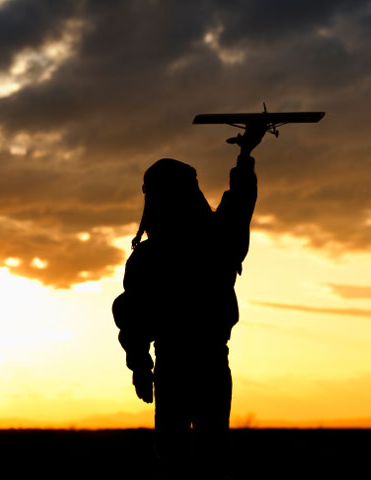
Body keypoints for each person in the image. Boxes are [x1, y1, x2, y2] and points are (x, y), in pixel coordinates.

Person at [112, 128, 262, 479]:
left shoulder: (149, 257)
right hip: (207, 364)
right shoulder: (219, 240)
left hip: (173, 367)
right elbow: (240, 204)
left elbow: (132, 317)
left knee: (174, 460)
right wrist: (244, 157)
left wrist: (139, 365)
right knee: (208, 458)